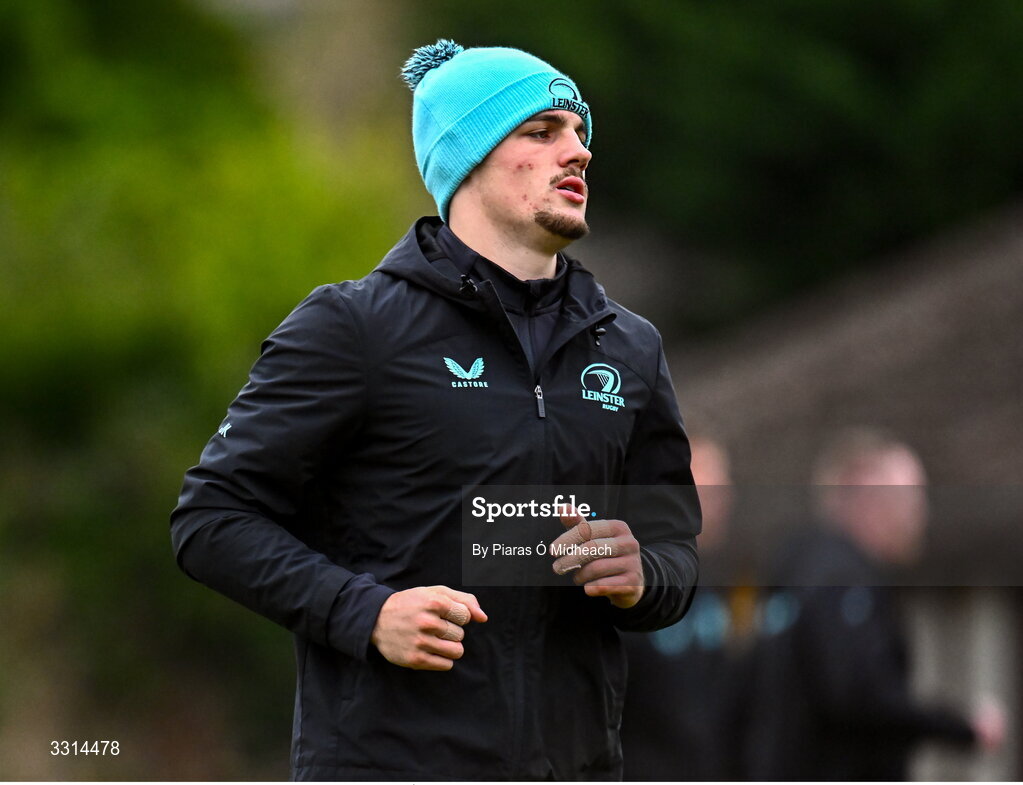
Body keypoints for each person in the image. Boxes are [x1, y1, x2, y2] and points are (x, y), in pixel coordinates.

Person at [170, 40, 700, 781]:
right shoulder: (352, 327)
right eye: (542, 132)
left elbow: (676, 544)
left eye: (578, 133)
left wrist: (643, 574)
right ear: (470, 157)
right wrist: (364, 613)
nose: (576, 151)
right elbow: (211, 519)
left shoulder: (630, 347)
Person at [743, 428, 1004, 780]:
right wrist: (961, 727)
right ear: (867, 496)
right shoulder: (845, 579)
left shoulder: (793, 564)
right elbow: (860, 695)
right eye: (911, 497)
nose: (919, 514)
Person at [620, 435, 752, 780]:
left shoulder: (725, 579)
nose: (721, 502)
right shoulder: (630, 584)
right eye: (707, 492)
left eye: (723, 490)